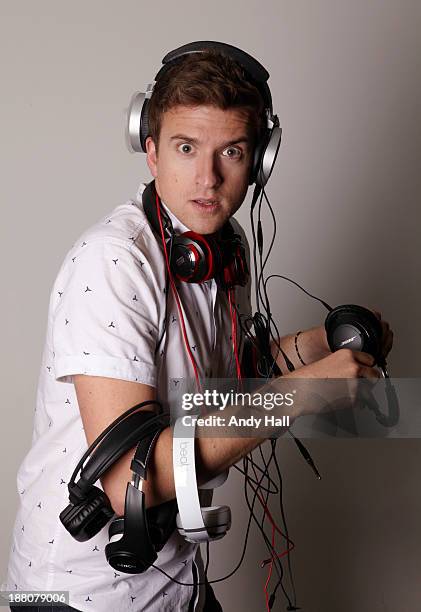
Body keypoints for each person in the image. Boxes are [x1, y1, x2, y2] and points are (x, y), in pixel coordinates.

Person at [4, 43, 393, 612]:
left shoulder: (219, 249)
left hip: (173, 581)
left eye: (231, 151)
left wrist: (327, 346)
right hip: (80, 592)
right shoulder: (113, 262)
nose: (208, 178)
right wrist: (302, 394)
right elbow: (130, 482)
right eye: (187, 148)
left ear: (259, 161)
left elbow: (231, 376)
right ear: (151, 150)